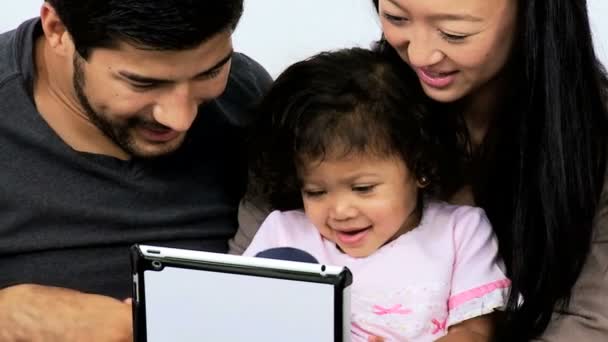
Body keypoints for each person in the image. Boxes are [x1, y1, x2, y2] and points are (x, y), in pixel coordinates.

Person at [0, 0, 271, 341]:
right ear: (58, 30)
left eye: (210, 73)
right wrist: (8, 314)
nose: (180, 118)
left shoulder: (248, 97)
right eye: (143, 83)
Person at [365, 0, 608, 341]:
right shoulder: (358, 105)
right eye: (395, 17)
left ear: (532, 16)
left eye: (454, 33)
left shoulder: (595, 140)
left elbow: (593, 323)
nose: (419, 55)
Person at [242, 47, 511, 341]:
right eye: (316, 192)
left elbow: (474, 331)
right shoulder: (284, 234)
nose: (341, 211)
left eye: (363, 188)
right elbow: (246, 320)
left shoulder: (461, 233)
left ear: (420, 167)